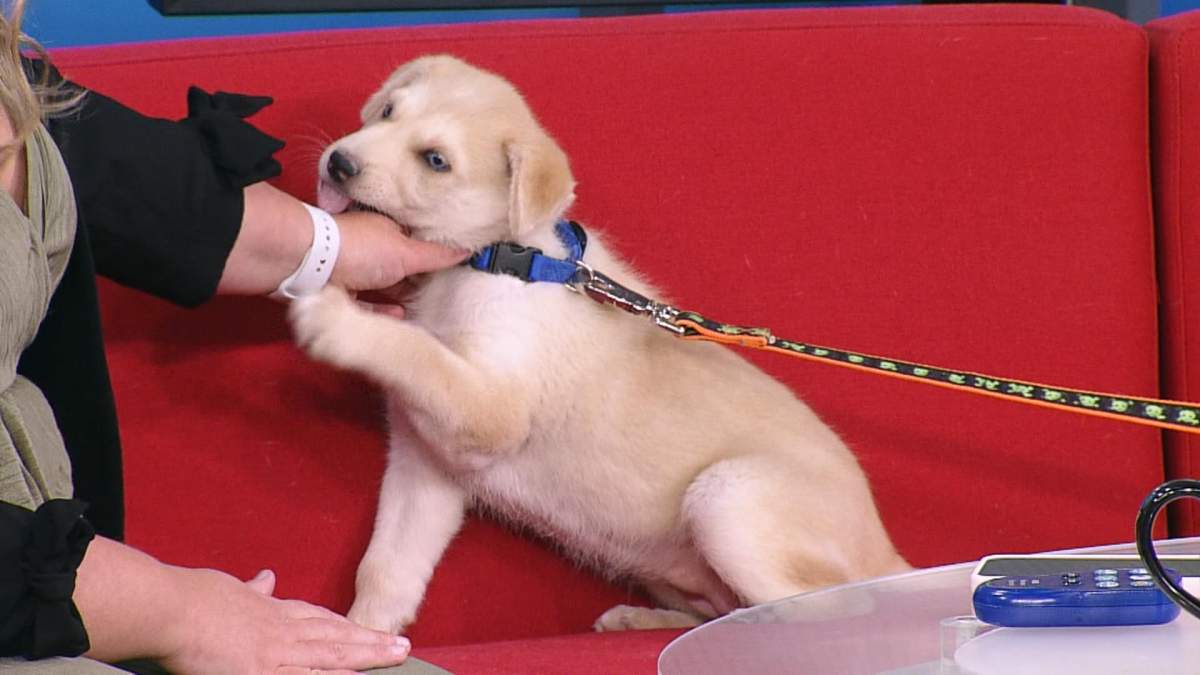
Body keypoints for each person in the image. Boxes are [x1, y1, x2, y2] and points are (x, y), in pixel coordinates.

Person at [0, 0, 465, 672]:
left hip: (68, 588)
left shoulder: (12, 72)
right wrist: (183, 613)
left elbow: (107, 165)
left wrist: (332, 247)